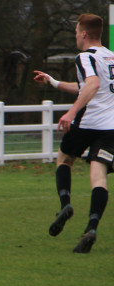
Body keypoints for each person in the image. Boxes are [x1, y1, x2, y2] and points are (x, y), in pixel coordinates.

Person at [32, 13, 114, 253]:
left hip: (87, 122)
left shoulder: (84, 57)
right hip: (111, 128)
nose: (75, 36)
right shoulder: (110, 57)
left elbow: (92, 86)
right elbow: (87, 86)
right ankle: (92, 227)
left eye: (76, 32)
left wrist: (71, 112)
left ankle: (66, 205)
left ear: (84, 34)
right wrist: (54, 82)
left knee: (64, 160)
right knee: (98, 178)